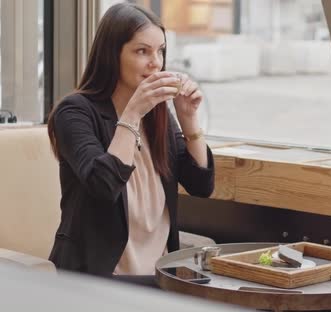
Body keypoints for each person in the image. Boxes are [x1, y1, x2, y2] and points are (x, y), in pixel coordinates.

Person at [46, 3, 214, 285]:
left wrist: (189, 119)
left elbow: (201, 184)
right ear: (112, 55)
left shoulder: (159, 114)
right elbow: (103, 185)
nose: (156, 62)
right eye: (142, 51)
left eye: (160, 51)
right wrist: (133, 114)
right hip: (98, 278)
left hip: (160, 274)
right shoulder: (74, 112)